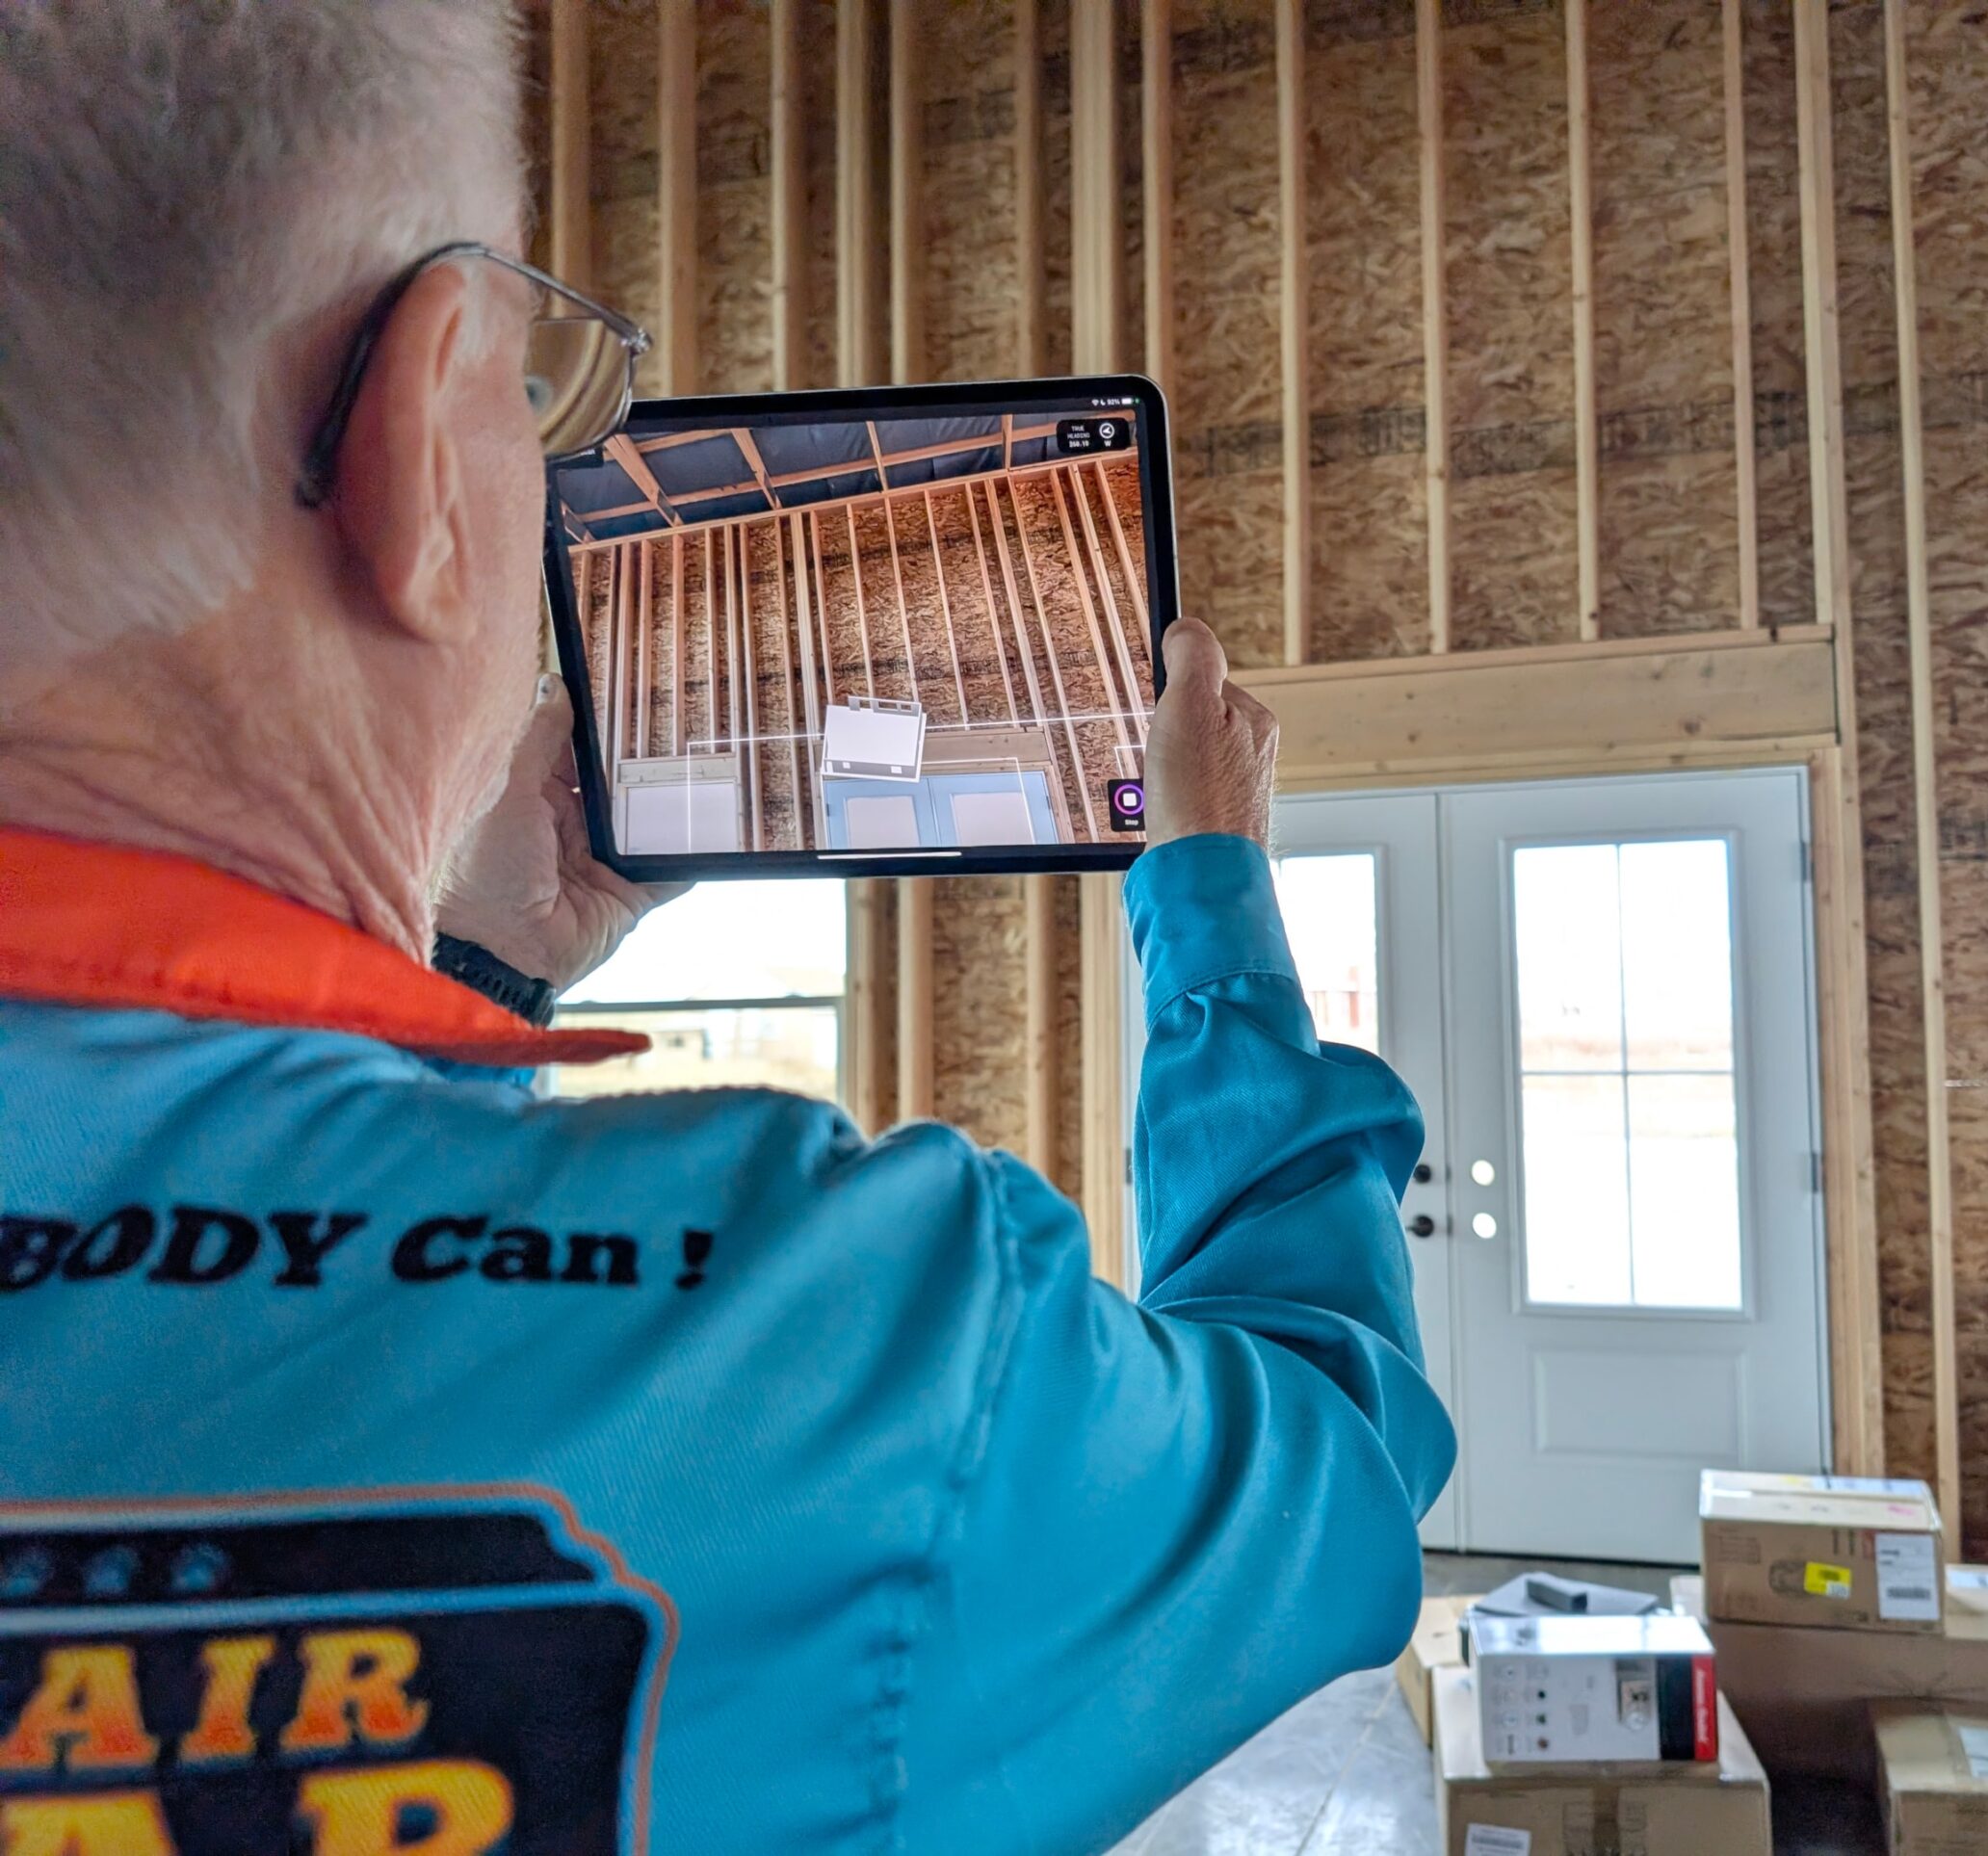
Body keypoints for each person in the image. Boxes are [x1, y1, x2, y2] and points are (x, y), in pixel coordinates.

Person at [0, 4, 1452, 1849]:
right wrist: (1213, 894)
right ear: (422, 439)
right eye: (542, 400)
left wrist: (472, 972)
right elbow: (1333, 1463)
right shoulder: (858, 1354)